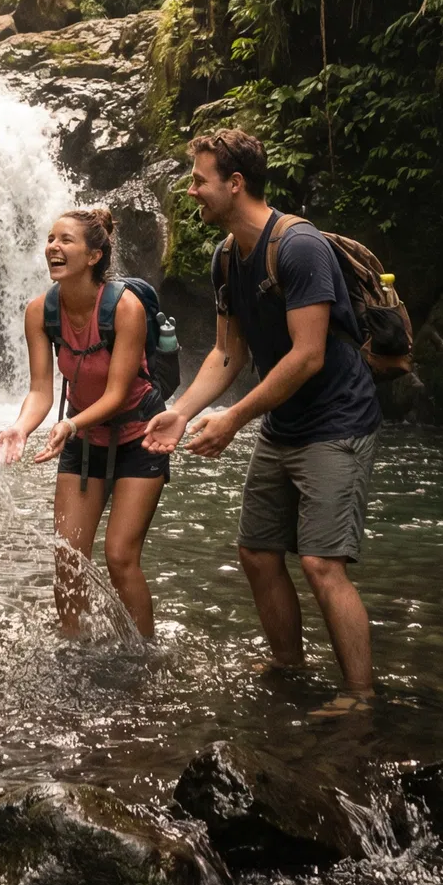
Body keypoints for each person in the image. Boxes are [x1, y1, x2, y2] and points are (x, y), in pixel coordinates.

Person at [143, 129, 382, 712]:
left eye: (199, 180)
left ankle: (359, 695)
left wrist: (234, 418)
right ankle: (287, 664)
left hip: (338, 420)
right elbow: (228, 354)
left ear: (235, 183)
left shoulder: (298, 246)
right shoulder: (227, 257)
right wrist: (180, 413)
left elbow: (308, 355)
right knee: (257, 551)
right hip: (283, 423)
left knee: (321, 563)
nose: (191, 191)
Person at [0, 207, 168, 639]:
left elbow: (116, 394)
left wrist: (70, 426)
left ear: (93, 256)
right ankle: (76, 649)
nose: (53, 247)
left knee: (120, 557)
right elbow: (41, 391)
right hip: (84, 439)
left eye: (65, 240)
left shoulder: (125, 307)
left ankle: (144, 656)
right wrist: (21, 427)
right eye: (50, 239)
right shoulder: (40, 311)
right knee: (68, 558)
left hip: (139, 437)